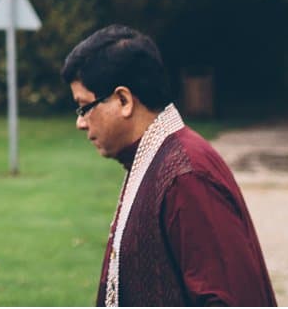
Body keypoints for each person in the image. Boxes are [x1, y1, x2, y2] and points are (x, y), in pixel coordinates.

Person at [62, 25, 276, 307]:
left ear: (124, 100)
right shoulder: (155, 159)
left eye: (84, 107)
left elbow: (227, 299)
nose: (80, 122)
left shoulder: (187, 175)